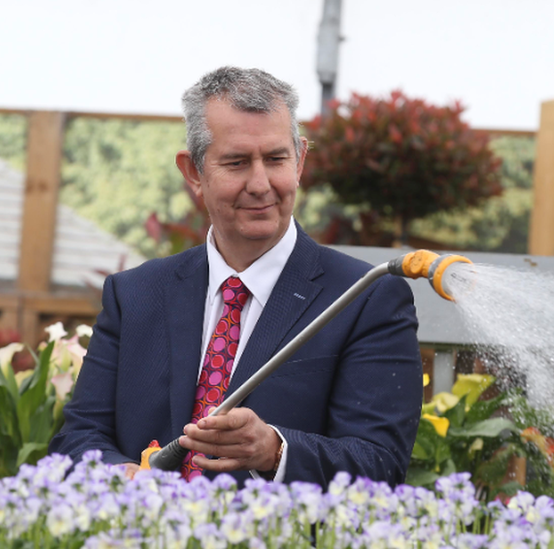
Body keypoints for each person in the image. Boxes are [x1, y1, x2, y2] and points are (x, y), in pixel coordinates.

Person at [49, 66, 423, 488]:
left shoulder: (366, 298)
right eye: (237, 162)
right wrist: (123, 479)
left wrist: (275, 451)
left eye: (277, 159)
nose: (261, 184)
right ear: (193, 172)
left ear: (300, 160)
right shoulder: (133, 294)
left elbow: (381, 463)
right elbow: (77, 438)